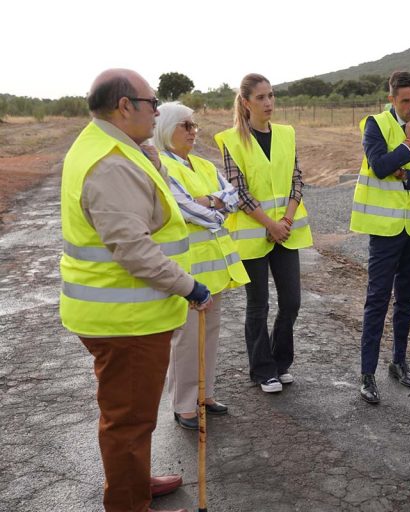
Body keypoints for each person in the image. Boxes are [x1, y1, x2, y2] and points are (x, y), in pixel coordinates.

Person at [59, 68, 213, 512]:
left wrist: (151, 160)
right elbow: (134, 250)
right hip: (125, 320)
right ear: (125, 106)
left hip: (126, 315)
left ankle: (135, 481)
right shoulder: (109, 163)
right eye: (151, 103)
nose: (158, 111)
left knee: (133, 413)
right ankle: (129, 503)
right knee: (128, 420)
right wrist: (190, 287)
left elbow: (146, 206)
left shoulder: (112, 149)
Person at [153, 102, 250, 429]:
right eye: (186, 125)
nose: (194, 131)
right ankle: (184, 405)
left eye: (194, 125)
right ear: (167, 129)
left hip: (215, 270)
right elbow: (183, 210)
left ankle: (205, 394)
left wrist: (210, 204)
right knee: (187, 339)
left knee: (209, 334)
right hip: (187, 271)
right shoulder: (164, 166)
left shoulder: (203, 165)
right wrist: (215, 205)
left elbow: (233, 196)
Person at [214, 73, 313, 394]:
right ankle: (262, 370)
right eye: (261, 98)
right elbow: (238, 191)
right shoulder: (232, 140)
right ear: (246, 102)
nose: (269, 102)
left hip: (286, 231)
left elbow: (297, 179)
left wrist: (284, 220)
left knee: (292, 302)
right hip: (253, 234)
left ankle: (281, 362)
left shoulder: (287, 134)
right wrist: (269, 224)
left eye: (271, 96)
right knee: (258, 305)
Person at [350, 70, 410, 404]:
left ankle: (399, 362)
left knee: (406, 299)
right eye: (406, 100)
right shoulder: (375, 125)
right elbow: (378, 165)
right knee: (377, 299)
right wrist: (408, 144)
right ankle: (367, 374)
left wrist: (405, 174)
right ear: (392, 100)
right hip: (386, 231)